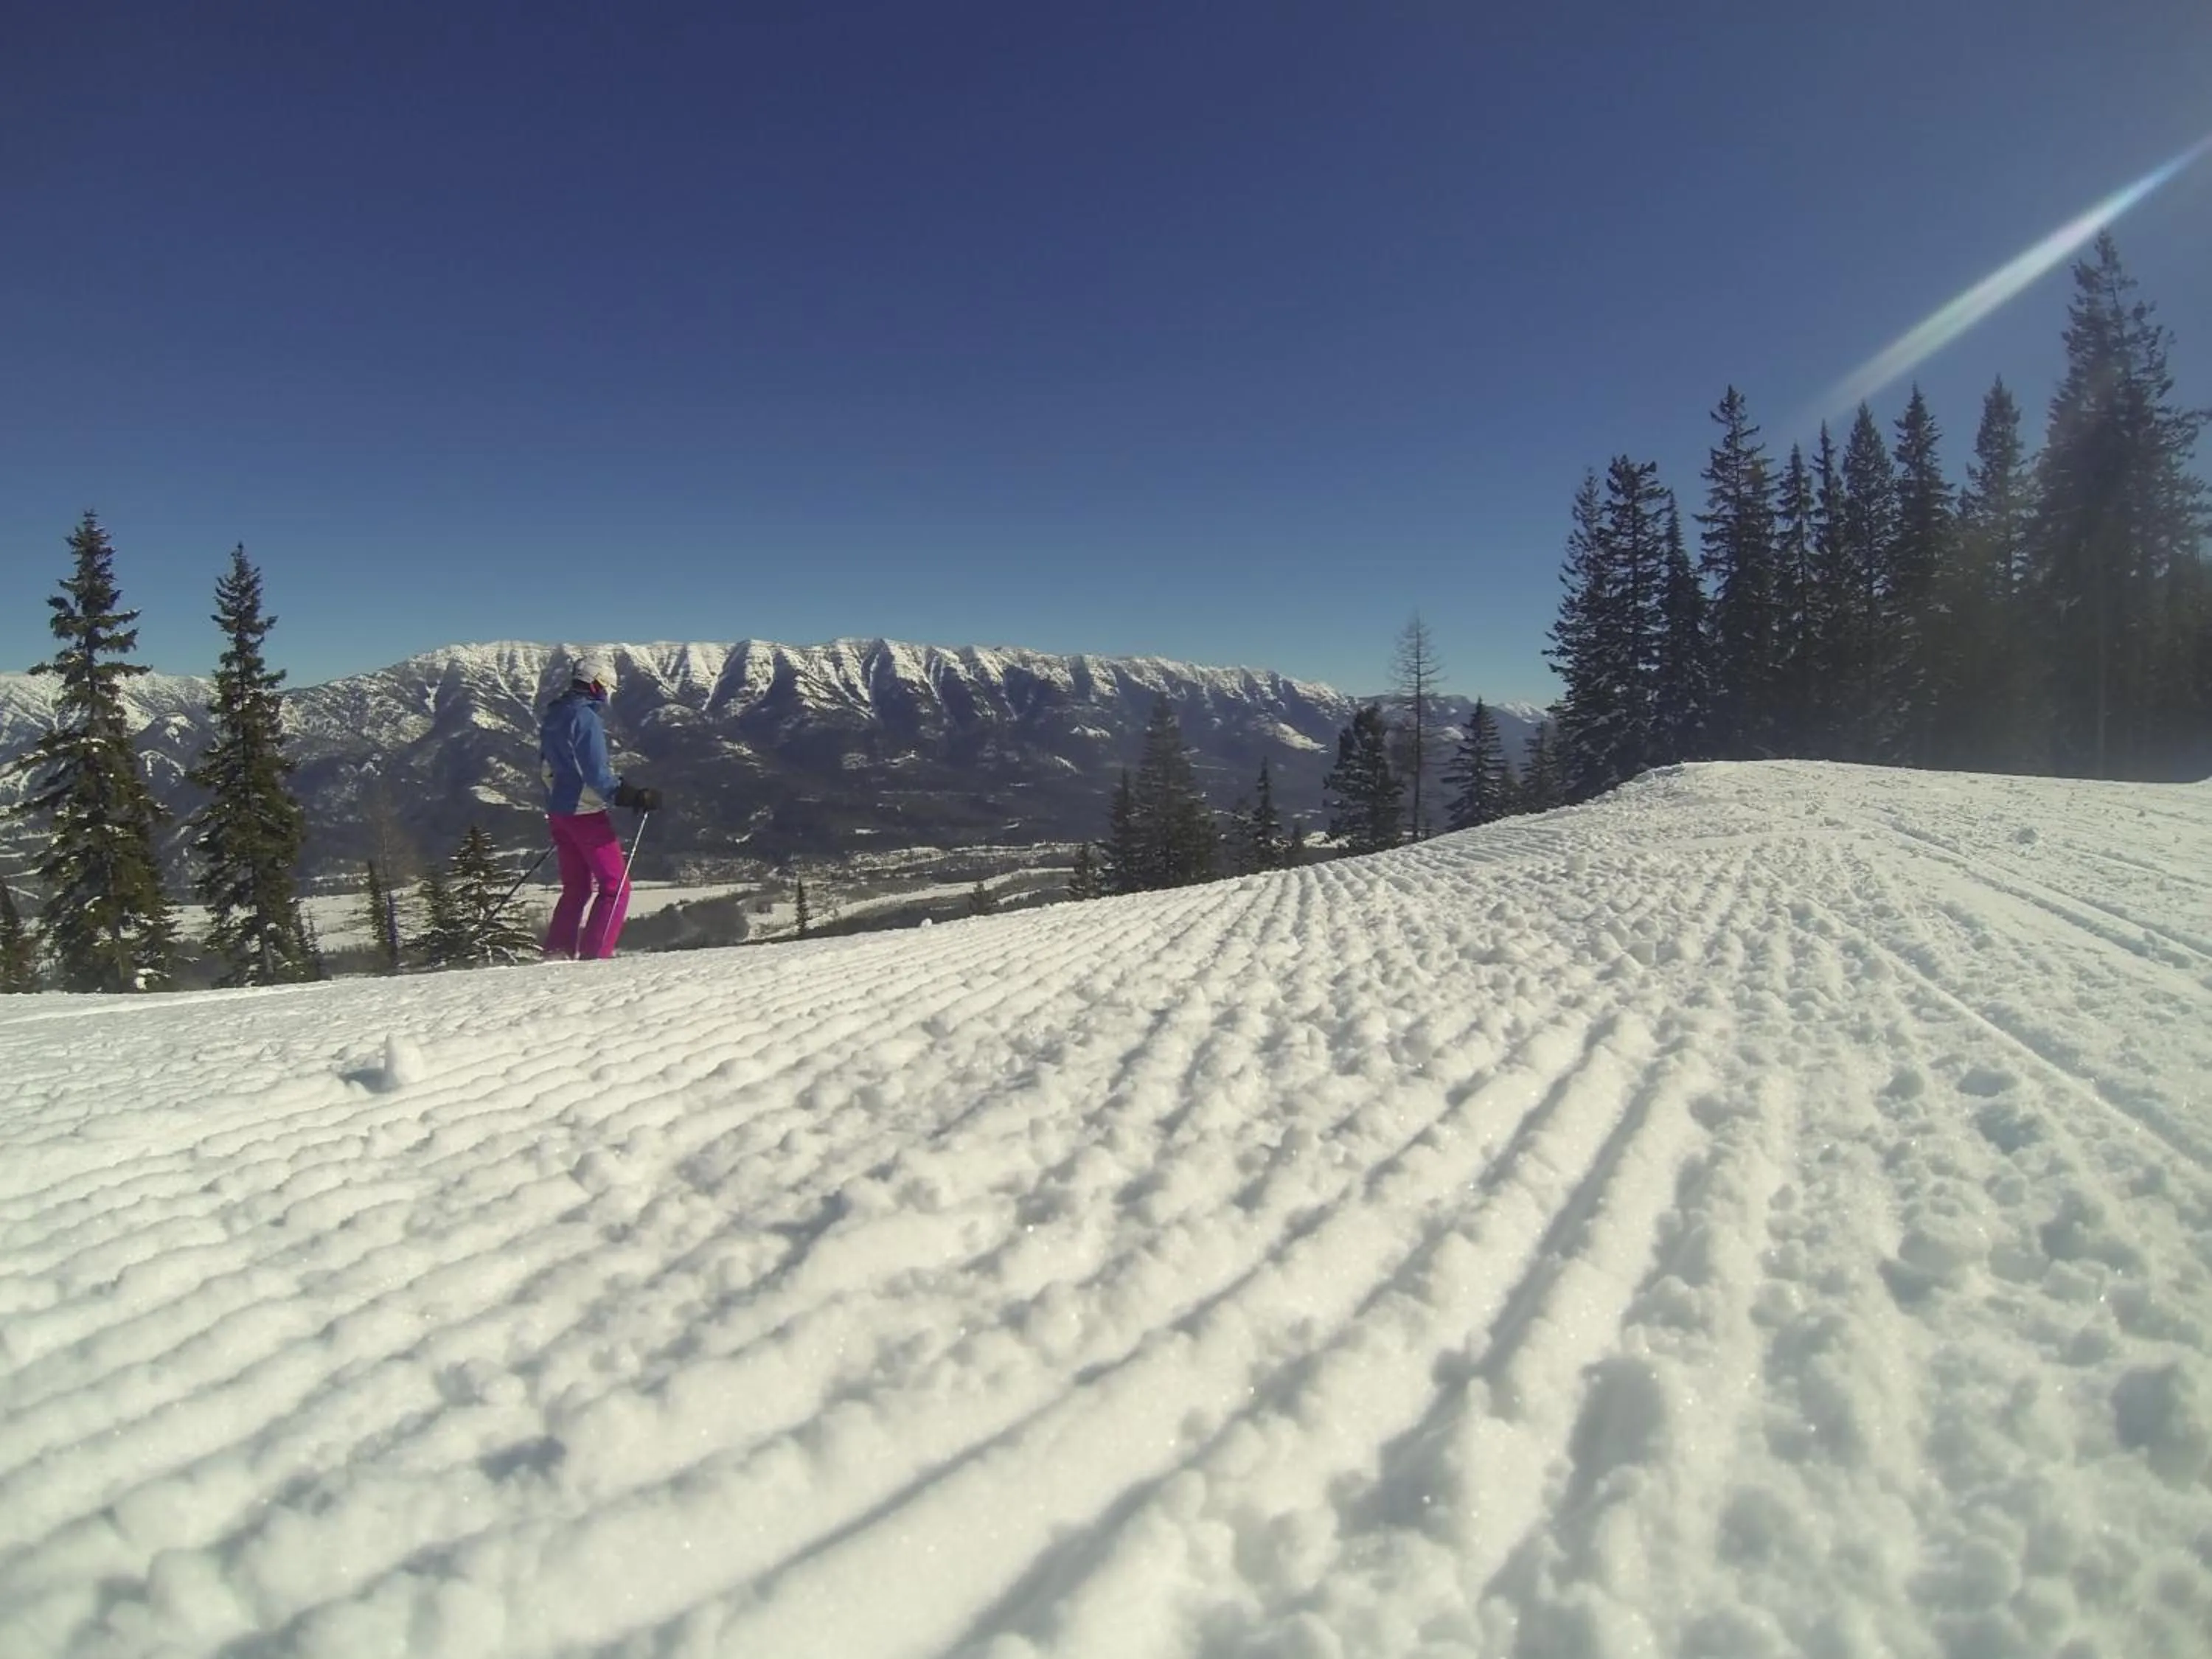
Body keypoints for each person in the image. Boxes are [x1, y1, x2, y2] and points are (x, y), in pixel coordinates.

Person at [539, 653, 661, 959]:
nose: (607, 693)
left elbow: (546, 765)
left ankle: (558, 952)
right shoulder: (585, 718)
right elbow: (595, 773)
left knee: (577, 888)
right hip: (585, 814)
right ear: (596, 684)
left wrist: (560, 802)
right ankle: (596, 957)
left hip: (560, 810)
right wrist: (630, 795)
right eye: (606, 686)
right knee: (615, 887)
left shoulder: (555, 713)